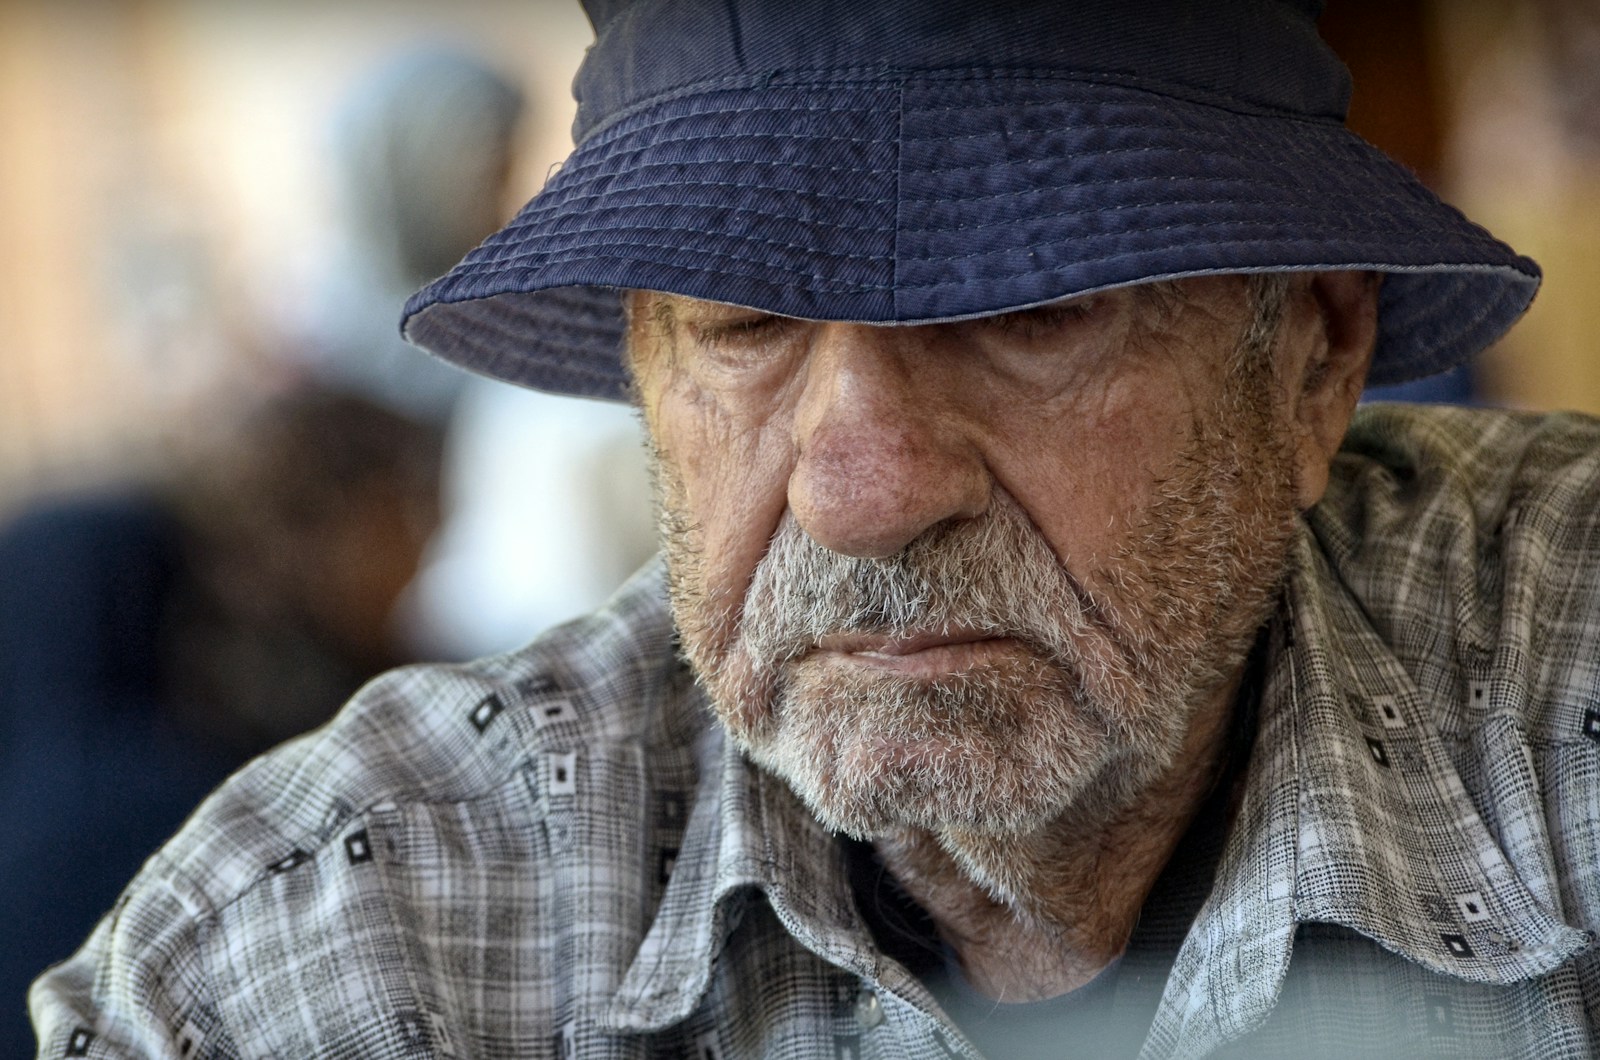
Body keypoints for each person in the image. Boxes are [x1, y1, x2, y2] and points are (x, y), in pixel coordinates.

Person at [29, 1, 1600, 1057]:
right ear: (643, 364)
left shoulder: (1565, 690)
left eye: (1026, 311)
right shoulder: (359, 945)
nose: (861, 489)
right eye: (742, 323)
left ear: (1314, 357)